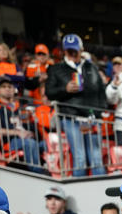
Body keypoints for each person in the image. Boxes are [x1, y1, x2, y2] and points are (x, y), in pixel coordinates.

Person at [44, 34, 105, 176]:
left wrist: (99, 113)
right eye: (68, 50)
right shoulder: (56, 69)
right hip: (71, 116)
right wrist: (64, 89)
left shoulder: (92, 67)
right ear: (64, 51)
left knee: (96, 157)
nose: (72, 53)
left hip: (91, 117)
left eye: (75, 50)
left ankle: (101, 194)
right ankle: (81, 193)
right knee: (80, 157)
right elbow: (49, 93)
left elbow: (101, 91)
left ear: (81, 49)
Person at [0, 75, 45, 173]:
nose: (7, 89)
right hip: (8, 143)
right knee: (29, 143)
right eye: (4, 87)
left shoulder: (21, 106)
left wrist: (31, 132)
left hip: (28, 139)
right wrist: (18, 133)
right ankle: (38, 172)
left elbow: (31, 124)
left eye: (9, 87)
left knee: (48, 144)